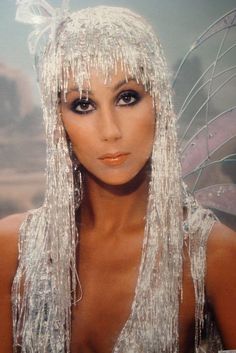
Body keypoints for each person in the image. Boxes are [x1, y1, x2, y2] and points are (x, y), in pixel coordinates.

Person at [0, 3, 236, 353]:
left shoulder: (214, 254)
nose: (109, 131)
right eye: (82, 104)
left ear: (159, 102)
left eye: (128, 97)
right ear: (57, 121)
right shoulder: (11, 249)